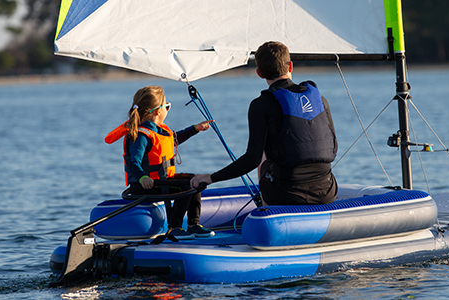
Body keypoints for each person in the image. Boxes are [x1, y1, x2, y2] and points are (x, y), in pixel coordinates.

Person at [190, 41, 338, 205]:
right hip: (327, 192)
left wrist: (210, 178)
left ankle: (267, 210)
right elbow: (333, 147)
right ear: (290, 66)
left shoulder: (260, 104)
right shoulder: (320, 99)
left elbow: (252, 160)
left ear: (259, 73)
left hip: (284, 195)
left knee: (262, 153)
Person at [105, 85, 215, 240]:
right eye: (167, 106)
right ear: (158, 111)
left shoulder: (159, 130)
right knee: (186, 186)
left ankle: (193, 225)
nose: (168, 110)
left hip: (161, 182)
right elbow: (133, 162)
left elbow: (175, 139)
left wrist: (195, 129)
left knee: (194, 180)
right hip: (145, 185)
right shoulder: (141, 135)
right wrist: (143, 178)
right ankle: (174, 228)